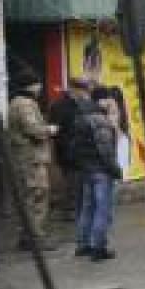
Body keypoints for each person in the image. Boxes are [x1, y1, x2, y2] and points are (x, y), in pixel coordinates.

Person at [7, 68, 60, 250]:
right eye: (37, 83)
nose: (40, 87)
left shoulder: (18, 102)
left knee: (29, 197)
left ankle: (26, 236)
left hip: (26, 158)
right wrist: (49, 130)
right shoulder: (25, 104)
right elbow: (32, 129)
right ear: (30, 85)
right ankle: (36, 238)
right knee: (38, 196)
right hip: (31, 159)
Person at [70, 80, 121, 261]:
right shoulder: (99, 119)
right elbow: (106, 150)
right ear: (102, 100)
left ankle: (83, 244)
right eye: (108, 99)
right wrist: (115, 170)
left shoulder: (81, 116)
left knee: (87, 207)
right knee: (102, 209)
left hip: (86, 169)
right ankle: (98, 247)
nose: (110, 103)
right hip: (101, 170)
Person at [48, 78, 85, 221]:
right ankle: (70, 210)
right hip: (67, 150)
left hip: (79, 149)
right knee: (71, 181)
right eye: (80, 89)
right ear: (72, 89)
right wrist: (66, 144)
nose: (82, 93)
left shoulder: (79, 104)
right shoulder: (59, 106)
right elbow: (55, 129)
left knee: (78, 181)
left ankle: (76, 209)